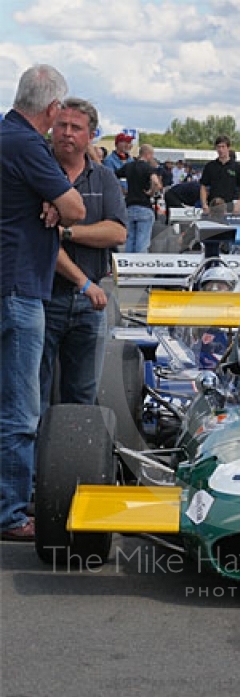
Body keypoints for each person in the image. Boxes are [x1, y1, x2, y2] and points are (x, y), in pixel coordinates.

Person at [0, 64, 86, 542]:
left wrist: (53, 203)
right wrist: (56, 204)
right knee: (19, 409)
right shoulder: (27, 143)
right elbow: (74, 208)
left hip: (10, 279)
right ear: (52, 109)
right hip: (19, 287)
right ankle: (12, 513)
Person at [39, 98, 127, 413]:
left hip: (90, 304)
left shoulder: (104, 178)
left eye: (76, 128)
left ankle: (73, 460)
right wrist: (82, 280)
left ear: (89, 135)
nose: (66, 133)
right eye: (61, 125)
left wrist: (67, 232)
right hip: (42, 296)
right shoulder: (37, 171)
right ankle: (30, 463)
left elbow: (117, 233)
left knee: (81, 397)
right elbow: (37, 242)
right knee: (33, 395)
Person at [116, 143, 162, 252]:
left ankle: (128, 266)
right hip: (144, 206)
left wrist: (122, 190)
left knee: (130, 240)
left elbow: (113, 177)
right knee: (142, 242)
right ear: (148, 154)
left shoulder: (129, 166)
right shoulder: (148, 168)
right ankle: (140, 267)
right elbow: (156, 182)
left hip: (130, 206)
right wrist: (151, 192)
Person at [200, 135, 240, 214]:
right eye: (218, 147)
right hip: (213, 207)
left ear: (228, 148)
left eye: (223, 147)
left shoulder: (238, 167)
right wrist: (204, 204)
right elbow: (203, 186)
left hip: (230, 208)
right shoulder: (210, 166)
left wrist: (239, 203)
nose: (221, 150)